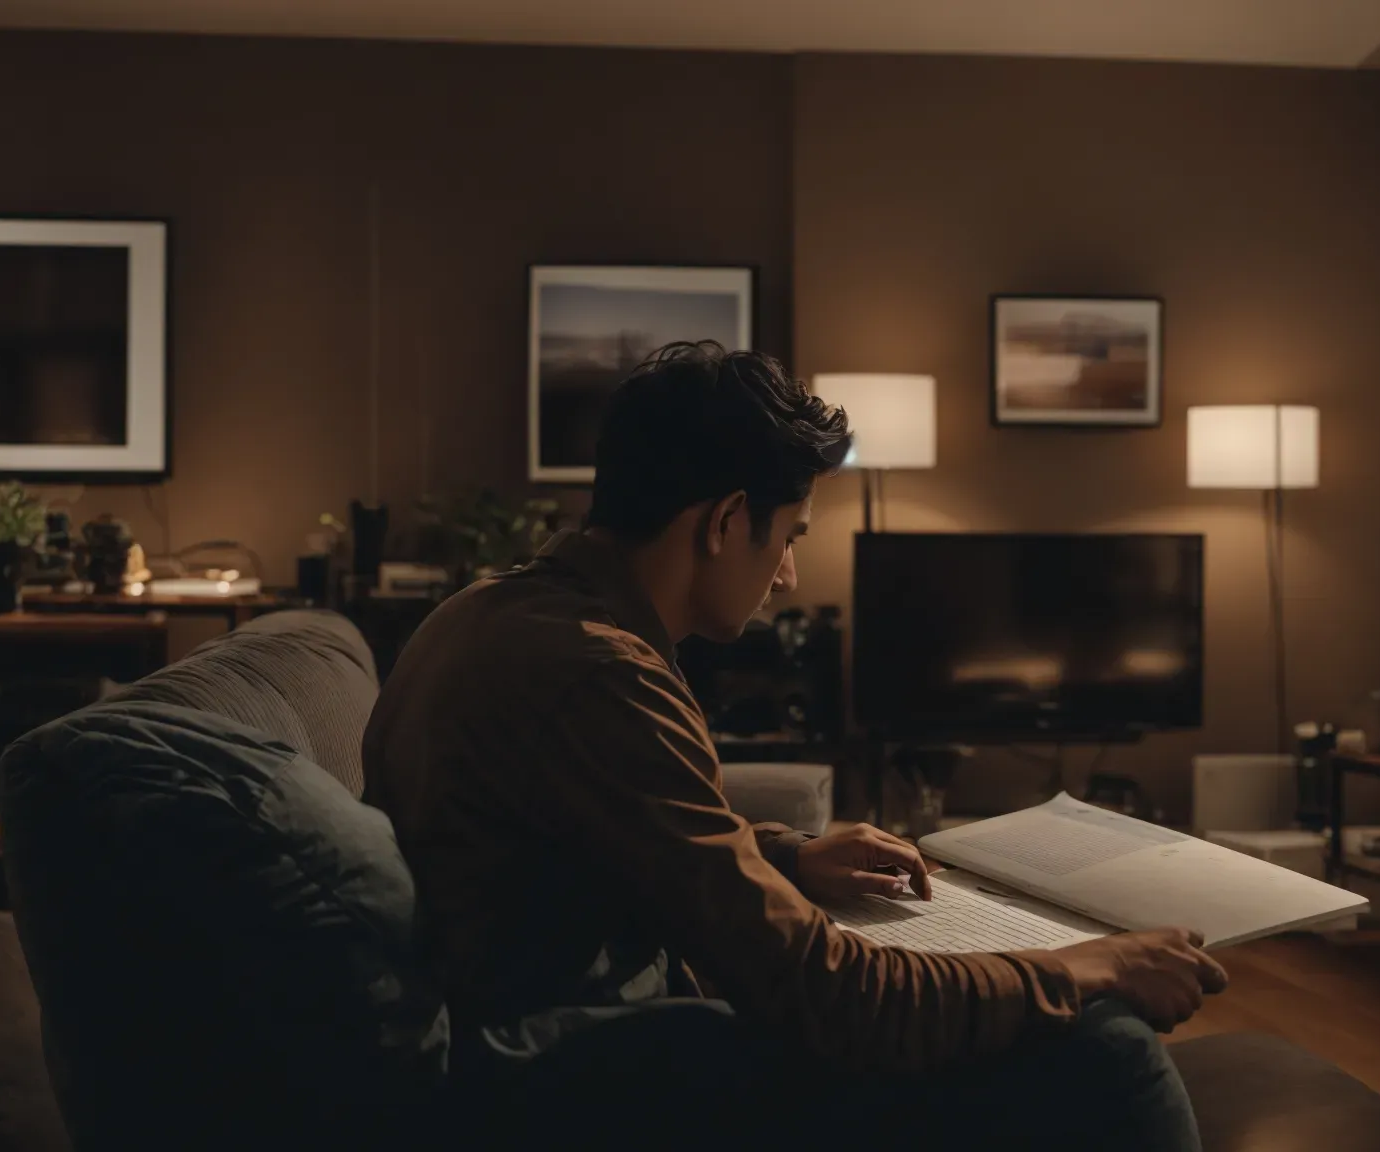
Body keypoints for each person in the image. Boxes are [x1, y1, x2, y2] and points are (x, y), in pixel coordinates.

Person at [362, 341, 1227, 1151]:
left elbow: (590, 836)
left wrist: (782, 857)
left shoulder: (489, 612)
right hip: (561, 1078)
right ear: (727, 520)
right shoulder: (602, 674)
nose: (787, 576)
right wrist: (1084, 966)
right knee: (1107, 1047)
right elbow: (836, 1000)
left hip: (527, 1038)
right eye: (790, 537)